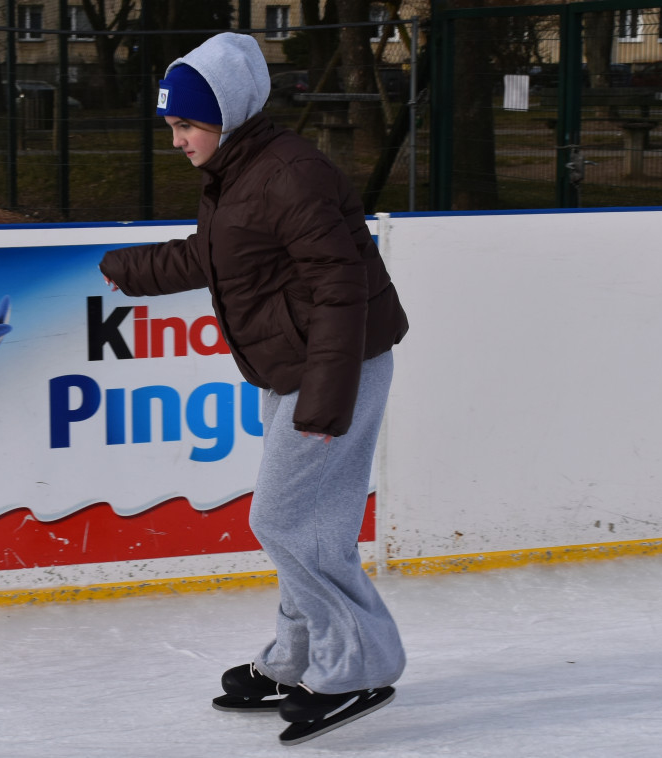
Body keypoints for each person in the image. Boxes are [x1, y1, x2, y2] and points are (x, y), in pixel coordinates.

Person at [99, 32, 409, 745]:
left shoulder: (288, 175)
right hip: (295, 366)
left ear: (229, 114)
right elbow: (213, 255)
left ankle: (359, 665)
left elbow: (342, 288)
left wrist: (327, 402)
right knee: (306, 524)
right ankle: (297, 659)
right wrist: (134, 271)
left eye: (187, 125)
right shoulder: (239, 174)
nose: (177, 140)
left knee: (286, 521)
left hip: (337, 369)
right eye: (173, 125)